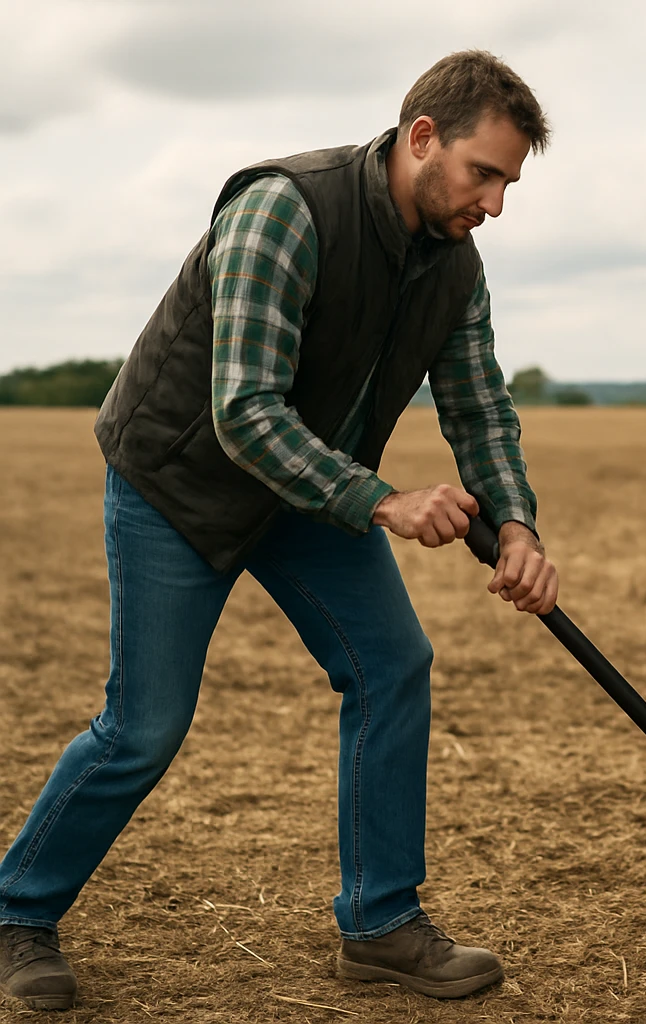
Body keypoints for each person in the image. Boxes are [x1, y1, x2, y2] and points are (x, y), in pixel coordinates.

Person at [0, 50, 556, 1010]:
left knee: (392, 667)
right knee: (144, 726)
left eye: (508, 182)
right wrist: (383, 502)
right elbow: (245, 412)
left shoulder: (454, 266)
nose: (495, 204)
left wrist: (514, 522)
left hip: (308, 491)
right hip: (181, 484)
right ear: (423, 138)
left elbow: (478, 408)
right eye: (484, 173)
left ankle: (381, 925)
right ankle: (16, 913)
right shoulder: (284, 209)